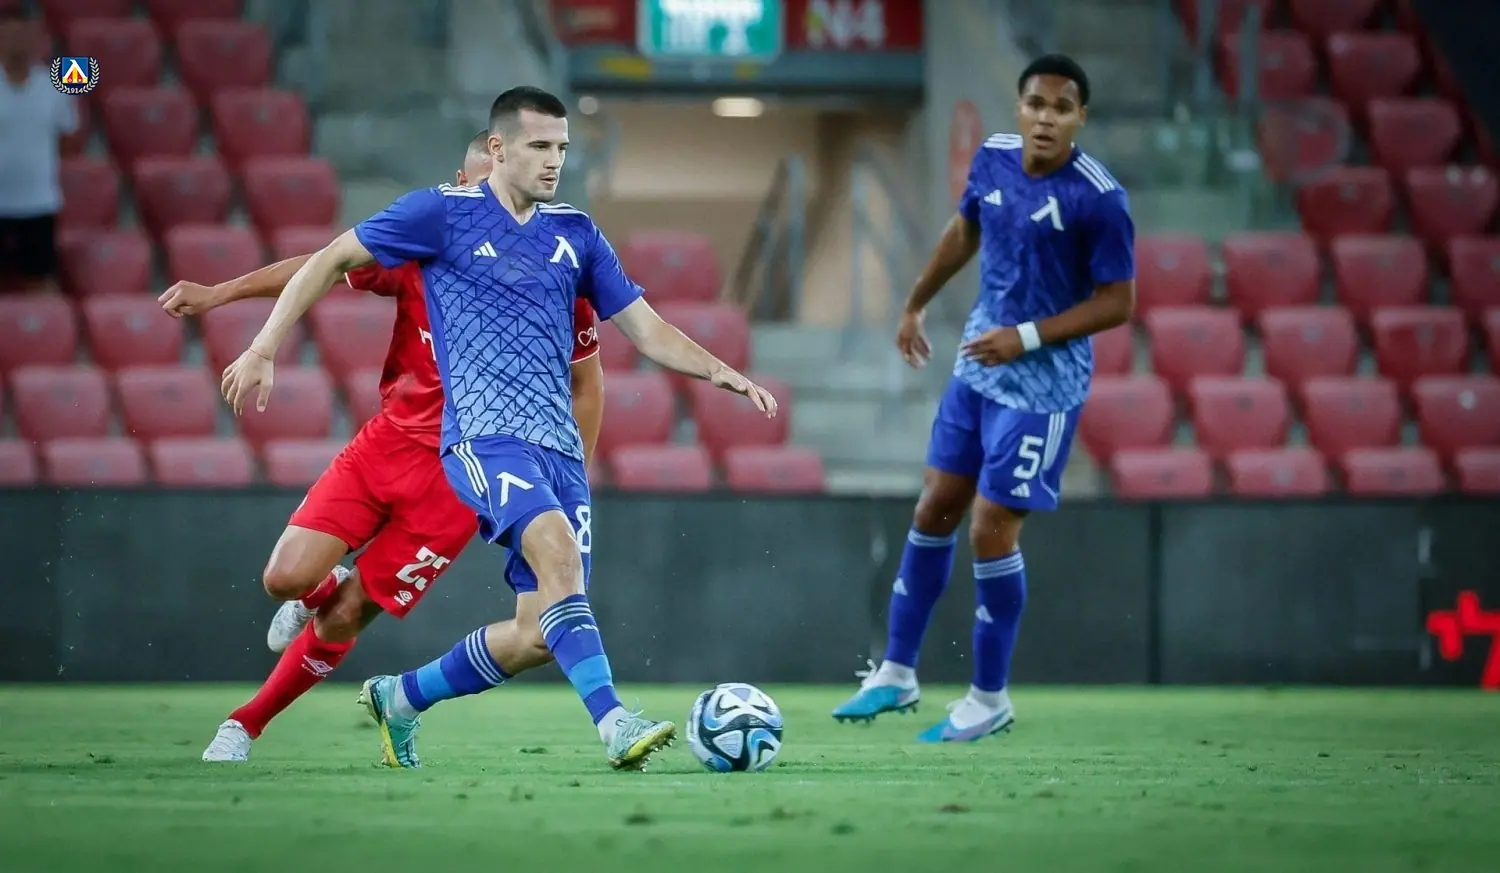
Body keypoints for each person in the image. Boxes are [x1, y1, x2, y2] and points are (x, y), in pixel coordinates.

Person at [219, 86, 778, 771]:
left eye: (562, 148)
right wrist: (263, 345)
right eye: (540, 146)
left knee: (539, 632)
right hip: (483, 439)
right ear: (498, 148)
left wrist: (721, 371)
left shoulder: (577, 235)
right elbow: (331, 258)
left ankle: (402, 698)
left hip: (556, 451)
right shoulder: (440, 215)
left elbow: (647, 329)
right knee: (558, 557)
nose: (554, 161)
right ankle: (614, 721)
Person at [173, 132, 607, 763]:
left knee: (346, 616)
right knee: (285, 579)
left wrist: (572, 482)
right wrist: (221, 294)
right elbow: (324, 263)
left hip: (463, 481)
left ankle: (245, 724)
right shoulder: (424, 248)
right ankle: (317, 590)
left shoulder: (559, 282)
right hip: (389, 445)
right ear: (462, 183)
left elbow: (586, 387)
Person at [831, 55, 1136, 742]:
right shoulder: (994, 159)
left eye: (1062, 108)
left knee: (990, 527)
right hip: (977, 371)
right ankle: (897, 671)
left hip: (1043, 390)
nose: (1046, 118)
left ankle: (989, 696)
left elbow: (1119, 302)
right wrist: (915, 302)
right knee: (934, 506)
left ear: (1080, 118)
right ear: (1019, 108)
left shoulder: (1099, 198)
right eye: (1036, 104)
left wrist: (1025, 337)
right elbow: (965, 229)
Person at [0, 6, 77, 294]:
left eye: (22, 35)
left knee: (41, 280)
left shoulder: (56, 86)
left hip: (39, 202)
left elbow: (69, 138)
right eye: (9, 36)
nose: (16, 43)